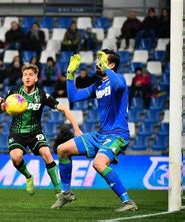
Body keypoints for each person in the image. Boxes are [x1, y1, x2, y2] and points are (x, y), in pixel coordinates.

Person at [52, 50, 137, 212]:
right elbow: (73, 97)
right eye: (98, 59)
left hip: (117, 134)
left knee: (98, 164)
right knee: (62, 150)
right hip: (101, 134)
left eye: (102, 60)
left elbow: (118, 86)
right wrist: (70, 74)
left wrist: (107, 68)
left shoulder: (119, 79)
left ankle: (128, 202)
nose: (97, 62)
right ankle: (66, 193)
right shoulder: (98, 85)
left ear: (111, 64)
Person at [0, 64, 82, 196]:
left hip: (35, 132)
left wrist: (76, 128)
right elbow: (1, 111)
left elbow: (64, 109)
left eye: (30, 75)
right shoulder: (14, 92)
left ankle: (59, 192)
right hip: (17, 132)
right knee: (15, 158)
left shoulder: (41, 95)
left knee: (47, 154)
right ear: (22, 78)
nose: (27, 77)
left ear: (36, 77)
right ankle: (28, 176)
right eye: (25, 75)